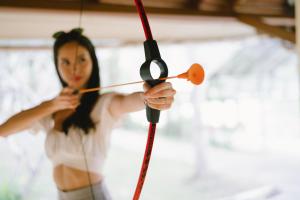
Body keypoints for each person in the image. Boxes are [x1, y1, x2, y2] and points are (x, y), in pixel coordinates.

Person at [0, 28, 176, 200]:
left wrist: (150, 97)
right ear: (56, 65)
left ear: (93, 61)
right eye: (65, 62)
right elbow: (4, 130)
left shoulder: (104, 104)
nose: (74, 69)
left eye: (81, 59)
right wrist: (51, 105)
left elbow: (127, 102)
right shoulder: (50, 111)